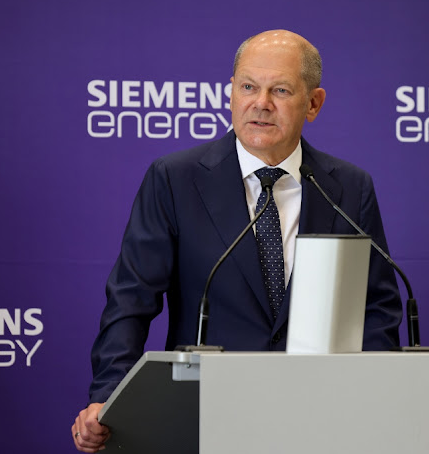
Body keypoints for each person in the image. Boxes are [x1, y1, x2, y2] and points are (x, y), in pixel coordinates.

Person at [71, 30, 403, 453]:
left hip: (318, 418)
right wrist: (109, 395)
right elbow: (130, 300)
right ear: (231, 93)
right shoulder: (176, 179)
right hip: (204, 414)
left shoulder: (349, 188)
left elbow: (376, 308)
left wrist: (368, 399)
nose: (260, 103)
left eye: (280, 90)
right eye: (248, 86)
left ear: (314, 103)